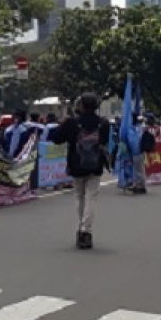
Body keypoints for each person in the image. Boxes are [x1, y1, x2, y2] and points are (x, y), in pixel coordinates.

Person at [50, 93, 110, 250]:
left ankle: (81, 228)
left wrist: (62, 124)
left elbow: (56, 139)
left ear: (82, 105)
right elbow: (104, 142)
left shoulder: (72, 122)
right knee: (92, 197)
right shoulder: (103, 123)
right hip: (96, 165)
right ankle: (86, 231)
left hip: (76, 165)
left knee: (79, 196)